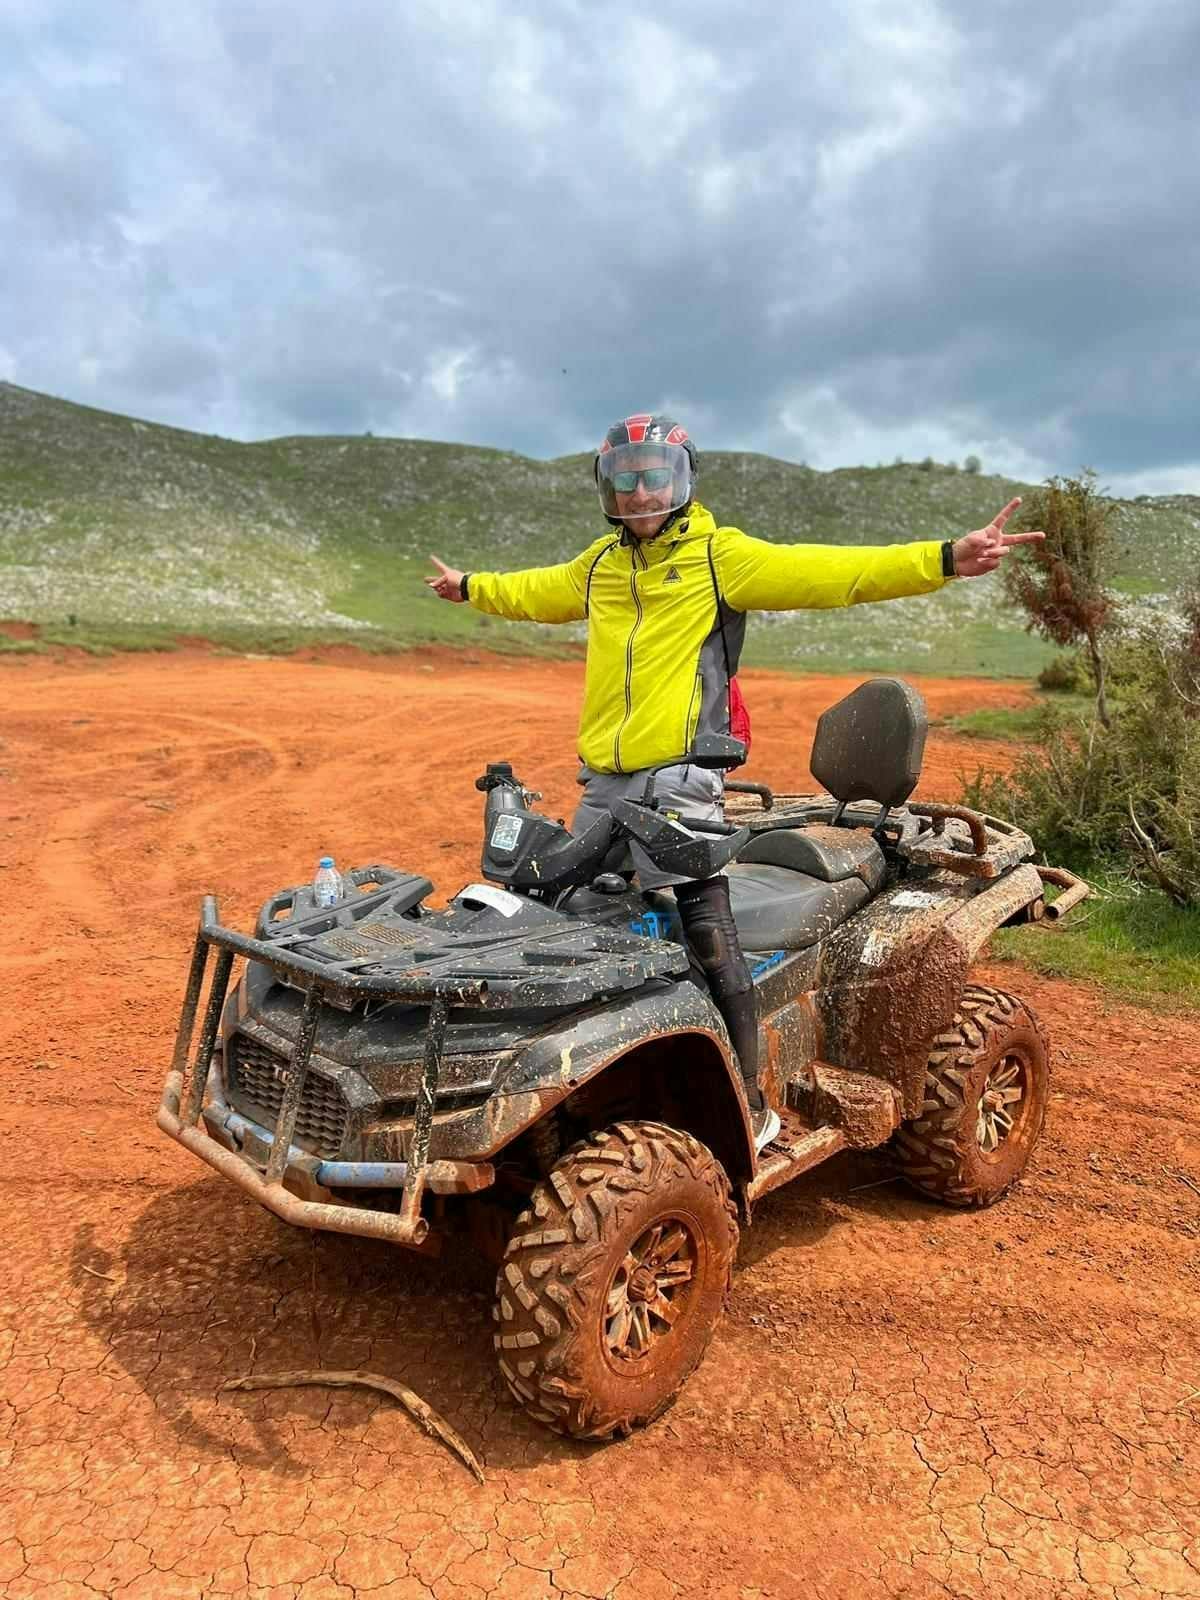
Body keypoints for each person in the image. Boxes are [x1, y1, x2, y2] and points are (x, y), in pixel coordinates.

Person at [426, 412, 1043, 1151]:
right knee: (560, 908)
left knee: (704, 923)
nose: (640, 490)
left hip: (684, 773)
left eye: (655, 475)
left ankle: (750, 1100)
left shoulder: (722, 557)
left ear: (682, 482)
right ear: (606, 489)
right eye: (625, 479)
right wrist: (468, 586)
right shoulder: (600, 567)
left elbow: (833, 573)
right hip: (606, 780)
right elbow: (532, 590)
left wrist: (945, 556)